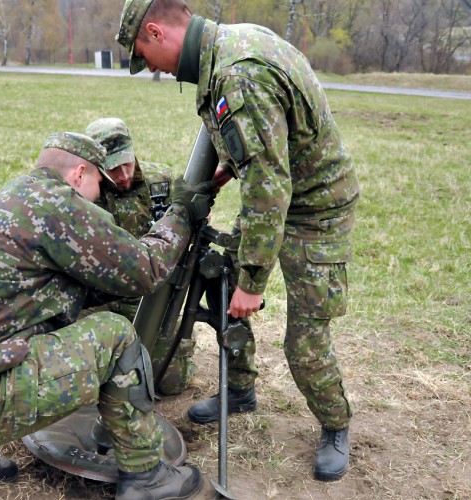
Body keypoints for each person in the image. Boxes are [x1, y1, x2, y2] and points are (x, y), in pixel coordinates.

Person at [115, 0, 361, 482]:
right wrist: (235, 164)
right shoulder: (229, 46)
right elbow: (268, 146)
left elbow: (272, 186)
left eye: (146, 57)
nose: (155, 72)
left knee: (305, 339)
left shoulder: (236, 74)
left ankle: (336, 425)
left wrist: (254, 280)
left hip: (315, 211)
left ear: (156, 31)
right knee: (223, 291)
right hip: (280, 192)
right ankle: (241, 390)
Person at [0, 131, 216, 499]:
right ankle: (146, 476)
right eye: (100, 182)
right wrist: (180, 213)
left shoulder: (19, 196)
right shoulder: (58, 205)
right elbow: (144, 268)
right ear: (80, 173)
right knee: (114, 335)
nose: (102, 194)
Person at [84, 117, 194, 397]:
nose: (122, 175)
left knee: (169, 384)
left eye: (126, 163)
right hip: (102, 296)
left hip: (150, 293)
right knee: (89, 383)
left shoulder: (162, 181)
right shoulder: (84, 193)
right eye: (112, 169)